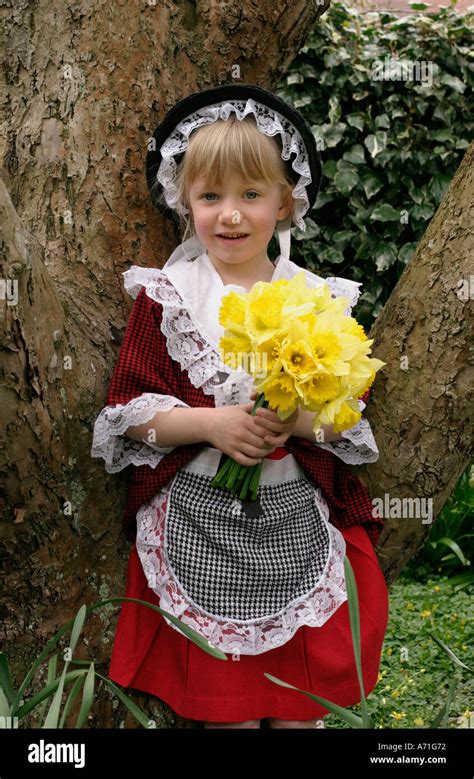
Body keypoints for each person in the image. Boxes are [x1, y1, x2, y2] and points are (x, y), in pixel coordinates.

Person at [91, 84, 389, 730]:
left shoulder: (315, 301)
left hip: (293, 527)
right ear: (185, 200)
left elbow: (347, 417)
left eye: (251, 195)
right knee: (225, 715)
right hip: (201, 531)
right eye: (210, 196)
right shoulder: (169, 298)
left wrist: (295, 419)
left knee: (297, 713)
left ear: (285, 202)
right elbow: (129, 415)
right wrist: (212, 424)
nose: (230, 214)